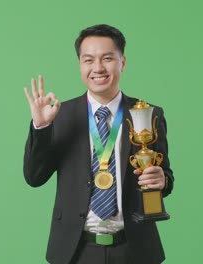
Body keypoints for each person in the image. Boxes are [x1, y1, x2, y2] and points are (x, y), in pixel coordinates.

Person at [23, 24, 174, 264]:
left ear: (122, 62)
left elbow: (164, 177)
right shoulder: (60, 115)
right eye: (88, 60)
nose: (98, 68)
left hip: (134, 249)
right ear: (80, 65)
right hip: (76, 250)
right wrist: (41, 127)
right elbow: (34, 177)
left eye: (107, 59)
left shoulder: (148, 113)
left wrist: (162, 180)